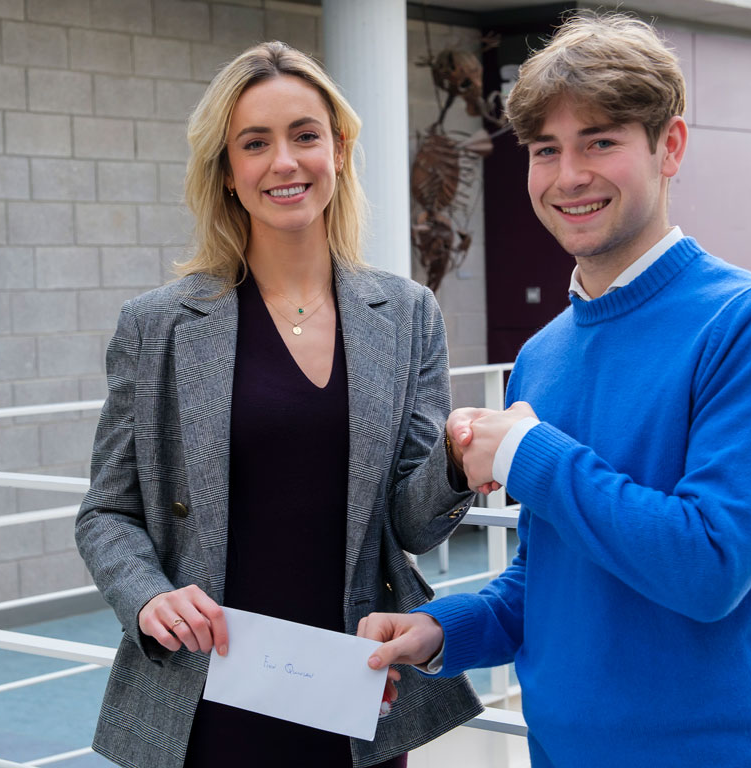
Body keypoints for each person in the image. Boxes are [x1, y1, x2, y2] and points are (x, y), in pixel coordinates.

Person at [359, 12, 751, 768]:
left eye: (601, 142)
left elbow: (708, 567)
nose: (568, 175)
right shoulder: (543, 356)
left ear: (669, 146)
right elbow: (553, 574)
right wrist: (446, 628)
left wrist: (529, 452)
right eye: (547, 150)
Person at [75, 41, 482, 768]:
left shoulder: (410, 314)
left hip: (353, 694)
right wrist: (146, 598)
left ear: (339, 149)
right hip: (205, 694)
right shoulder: (158, 325)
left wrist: (455, 462)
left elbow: (413, 528)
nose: (285, 162)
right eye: (255, 143)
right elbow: (108, 510)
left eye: (305, 135)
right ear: (228, 172)